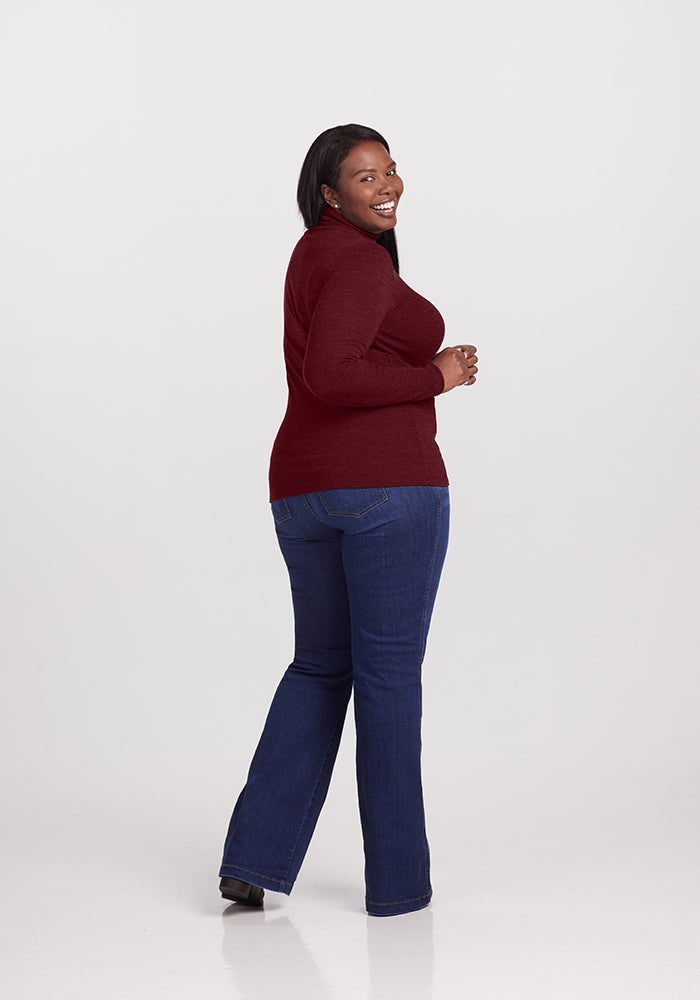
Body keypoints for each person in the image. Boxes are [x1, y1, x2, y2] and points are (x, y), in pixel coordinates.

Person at [219, 124, 478, 917]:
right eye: (366, 177)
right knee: (389, 682)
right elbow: (331, 372)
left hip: (303, 492)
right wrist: (434, 376)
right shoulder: (358, 262)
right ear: (330, 194)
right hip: (386, 491)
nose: (388, 185)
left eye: (392, 171)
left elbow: (320, 368)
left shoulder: (311, 256)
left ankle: (254, 860)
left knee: (320, 668)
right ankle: (398, 888)